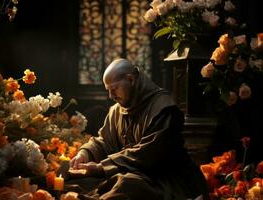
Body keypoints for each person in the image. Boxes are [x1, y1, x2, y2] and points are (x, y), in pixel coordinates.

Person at [69, 58, 209, 200]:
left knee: (127, 184)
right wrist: (85, 153)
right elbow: (104, 140)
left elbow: (146, 156)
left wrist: (100, 168)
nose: (111, 96)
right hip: (128, 172)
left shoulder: (163, 108)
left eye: (114, 89)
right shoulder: (117, 110)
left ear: (131, 79)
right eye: (108, 91)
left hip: (164, 179)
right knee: (75, 181)